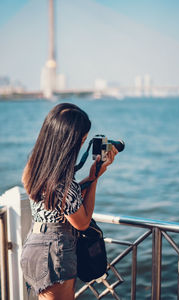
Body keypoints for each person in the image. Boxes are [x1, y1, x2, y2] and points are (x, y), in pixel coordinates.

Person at [20, 103, 118, 300]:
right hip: (54, 255)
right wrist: (96, 179)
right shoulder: (62, 181)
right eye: (81, 140)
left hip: (34, 247)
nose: (81, 144)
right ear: (68, 141)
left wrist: (89, 178)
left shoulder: (34, 167)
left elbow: (58, 202)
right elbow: (82, 222)